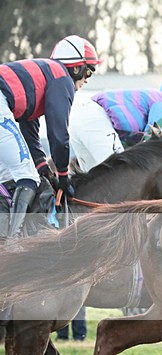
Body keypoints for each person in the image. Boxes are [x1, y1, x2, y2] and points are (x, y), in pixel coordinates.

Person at [0, 35, 100, 238]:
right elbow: (59, 134)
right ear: (75, 68)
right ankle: (12, 243)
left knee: (7, 176)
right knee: (26, 176)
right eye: (88, 70)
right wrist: (63, 175)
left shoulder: (40, 78)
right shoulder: (61, 77)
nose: (88, 78)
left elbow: (30, 132)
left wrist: (44, 169)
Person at [70, 72, 162, 171]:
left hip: (79, 117)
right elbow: (158, 145)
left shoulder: (155, 100)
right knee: (119, 176)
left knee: (90, 185)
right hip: (96, 120)